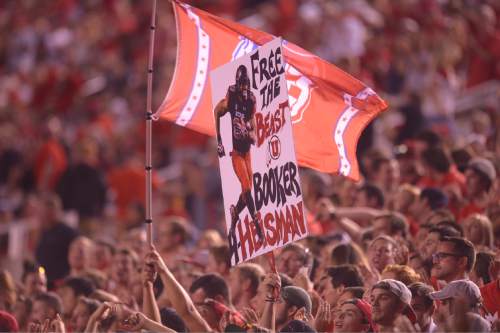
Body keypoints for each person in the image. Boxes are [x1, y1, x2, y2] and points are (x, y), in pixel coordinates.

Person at [214, 64, 263, 260]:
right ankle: (257, 224)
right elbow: (217, 111)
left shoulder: (251, 98)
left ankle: (234, 218)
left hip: (248, 152)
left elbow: (252, 121)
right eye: (241, 84)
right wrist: (219, 141)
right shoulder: (231, 96)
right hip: (236, 153)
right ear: (236, 83)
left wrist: (252, 132)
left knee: (246, 191)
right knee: (247, 188)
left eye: (246, 84)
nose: (243, 88)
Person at [35, 194, 79, 288]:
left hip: (61, 282)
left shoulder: (68, 233)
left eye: (50, 212)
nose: (47, 216)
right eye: (44, 212)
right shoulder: (42, 232)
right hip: (45, 281)